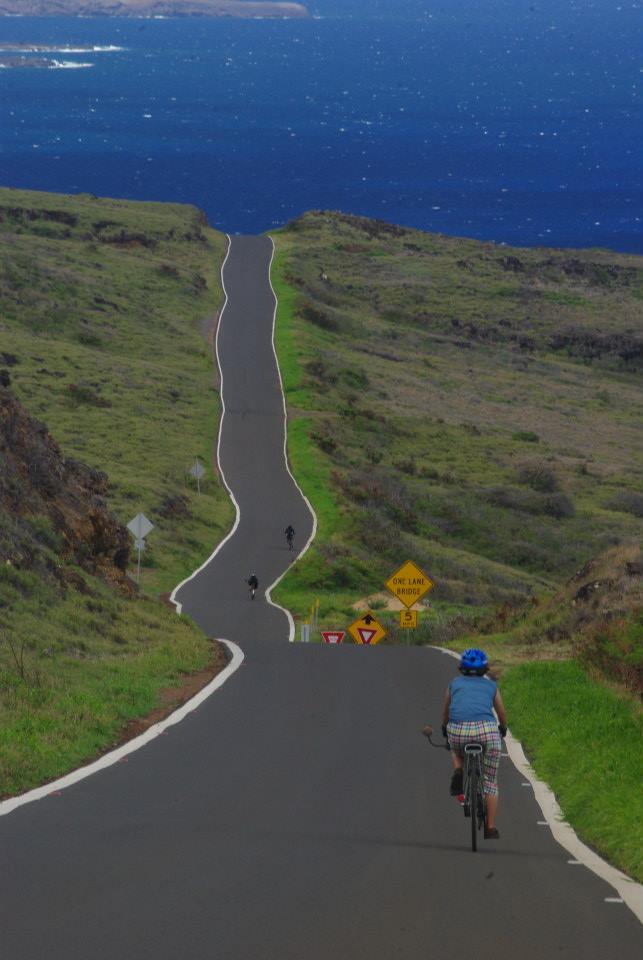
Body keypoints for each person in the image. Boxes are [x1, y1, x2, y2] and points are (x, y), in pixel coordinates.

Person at [441, 648, 507, 840]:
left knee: (454, 747)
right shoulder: (490, 686)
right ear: (484, 668)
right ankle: (490, 827)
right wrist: (502, 728)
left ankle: (459, 770)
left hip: (459, 730)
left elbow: (446, 710)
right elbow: (501, 712)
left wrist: (445, 728)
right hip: (487, 731)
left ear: (461, 667)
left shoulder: (454, 683)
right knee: (490, 782)